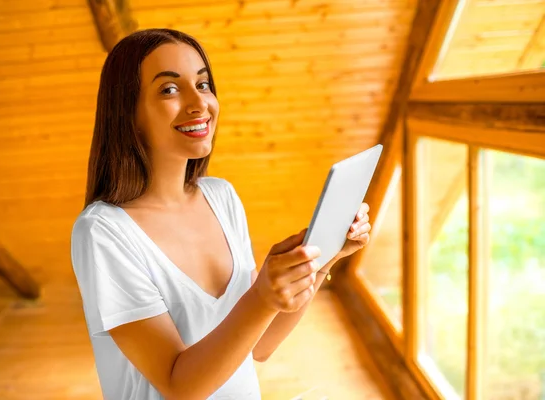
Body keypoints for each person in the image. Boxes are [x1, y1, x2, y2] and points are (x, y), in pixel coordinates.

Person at [70, 28, 372, 400]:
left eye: (203, 84)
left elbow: (259, 346)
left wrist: (323, 259)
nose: (199, 104)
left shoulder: (221, 197)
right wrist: (262, 295)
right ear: (127, 111)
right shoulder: (102, 231)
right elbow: (180, 386)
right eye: (169, 89)